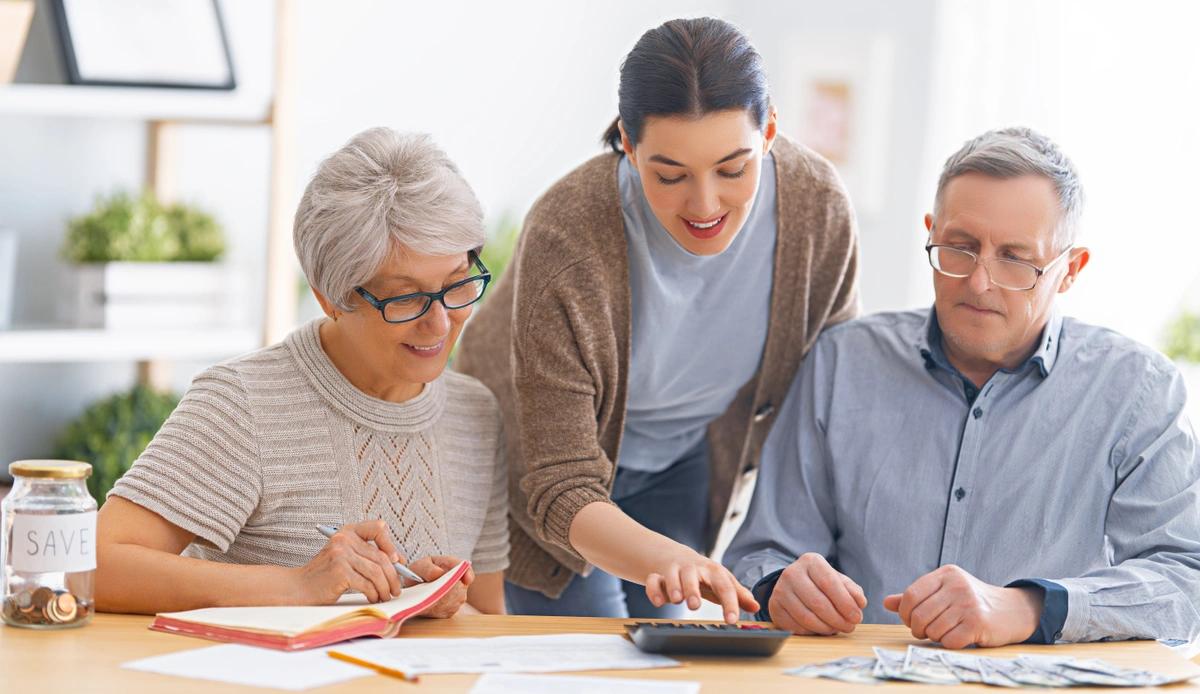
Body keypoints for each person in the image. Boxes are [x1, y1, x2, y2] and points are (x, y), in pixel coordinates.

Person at [725, 126, 1200, 647]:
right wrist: (777, 587)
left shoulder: (1140, 391)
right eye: (960, 247)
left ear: (1070, 270)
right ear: (931, 233)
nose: (979, 282)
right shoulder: (840, 363)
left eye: (1016, 258)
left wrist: (1026, 607)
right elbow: (762, 551)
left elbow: (1185, 580)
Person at [455, 17, 860, 622]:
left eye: (733, 169)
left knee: (663, 655)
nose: (704, 205)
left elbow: (827, 401)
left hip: (681, 459)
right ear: (628, 142)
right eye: (669, 175)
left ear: (770, 130)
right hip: (545, 471)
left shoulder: (817, 209)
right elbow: (559, 483)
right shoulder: (568, 232)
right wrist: (671, 560)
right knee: (587, 661)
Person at [95, 128, 508, 616]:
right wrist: (296, 586)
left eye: (457, 285)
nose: (439, 322)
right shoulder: (244, 403)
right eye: (406, 297)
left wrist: (425, 599)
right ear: (330, 297)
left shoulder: (475, 413)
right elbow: (94, 566)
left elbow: (488, 620)